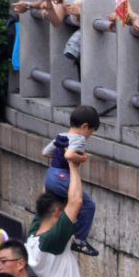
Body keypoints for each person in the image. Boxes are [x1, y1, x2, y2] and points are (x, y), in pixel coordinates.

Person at [25, 154, 86, 277]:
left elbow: (46, 191)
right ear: (58, 212)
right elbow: (76, 201)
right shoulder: (52, 241)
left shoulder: (33, 237)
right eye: (65, 211)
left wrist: (58, 158)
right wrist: (73, 165)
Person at [41, 104, 100, 256]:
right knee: (88, 205)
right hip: (62, 178)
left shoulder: (61, 136)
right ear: (85, 126)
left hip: (50, 176)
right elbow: (69, 155)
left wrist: (60, 156)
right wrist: (82, 158)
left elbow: (45, 153)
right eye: (90, 132)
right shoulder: (79, 139)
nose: (89, 136)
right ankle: (79, 240)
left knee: (62, 205)